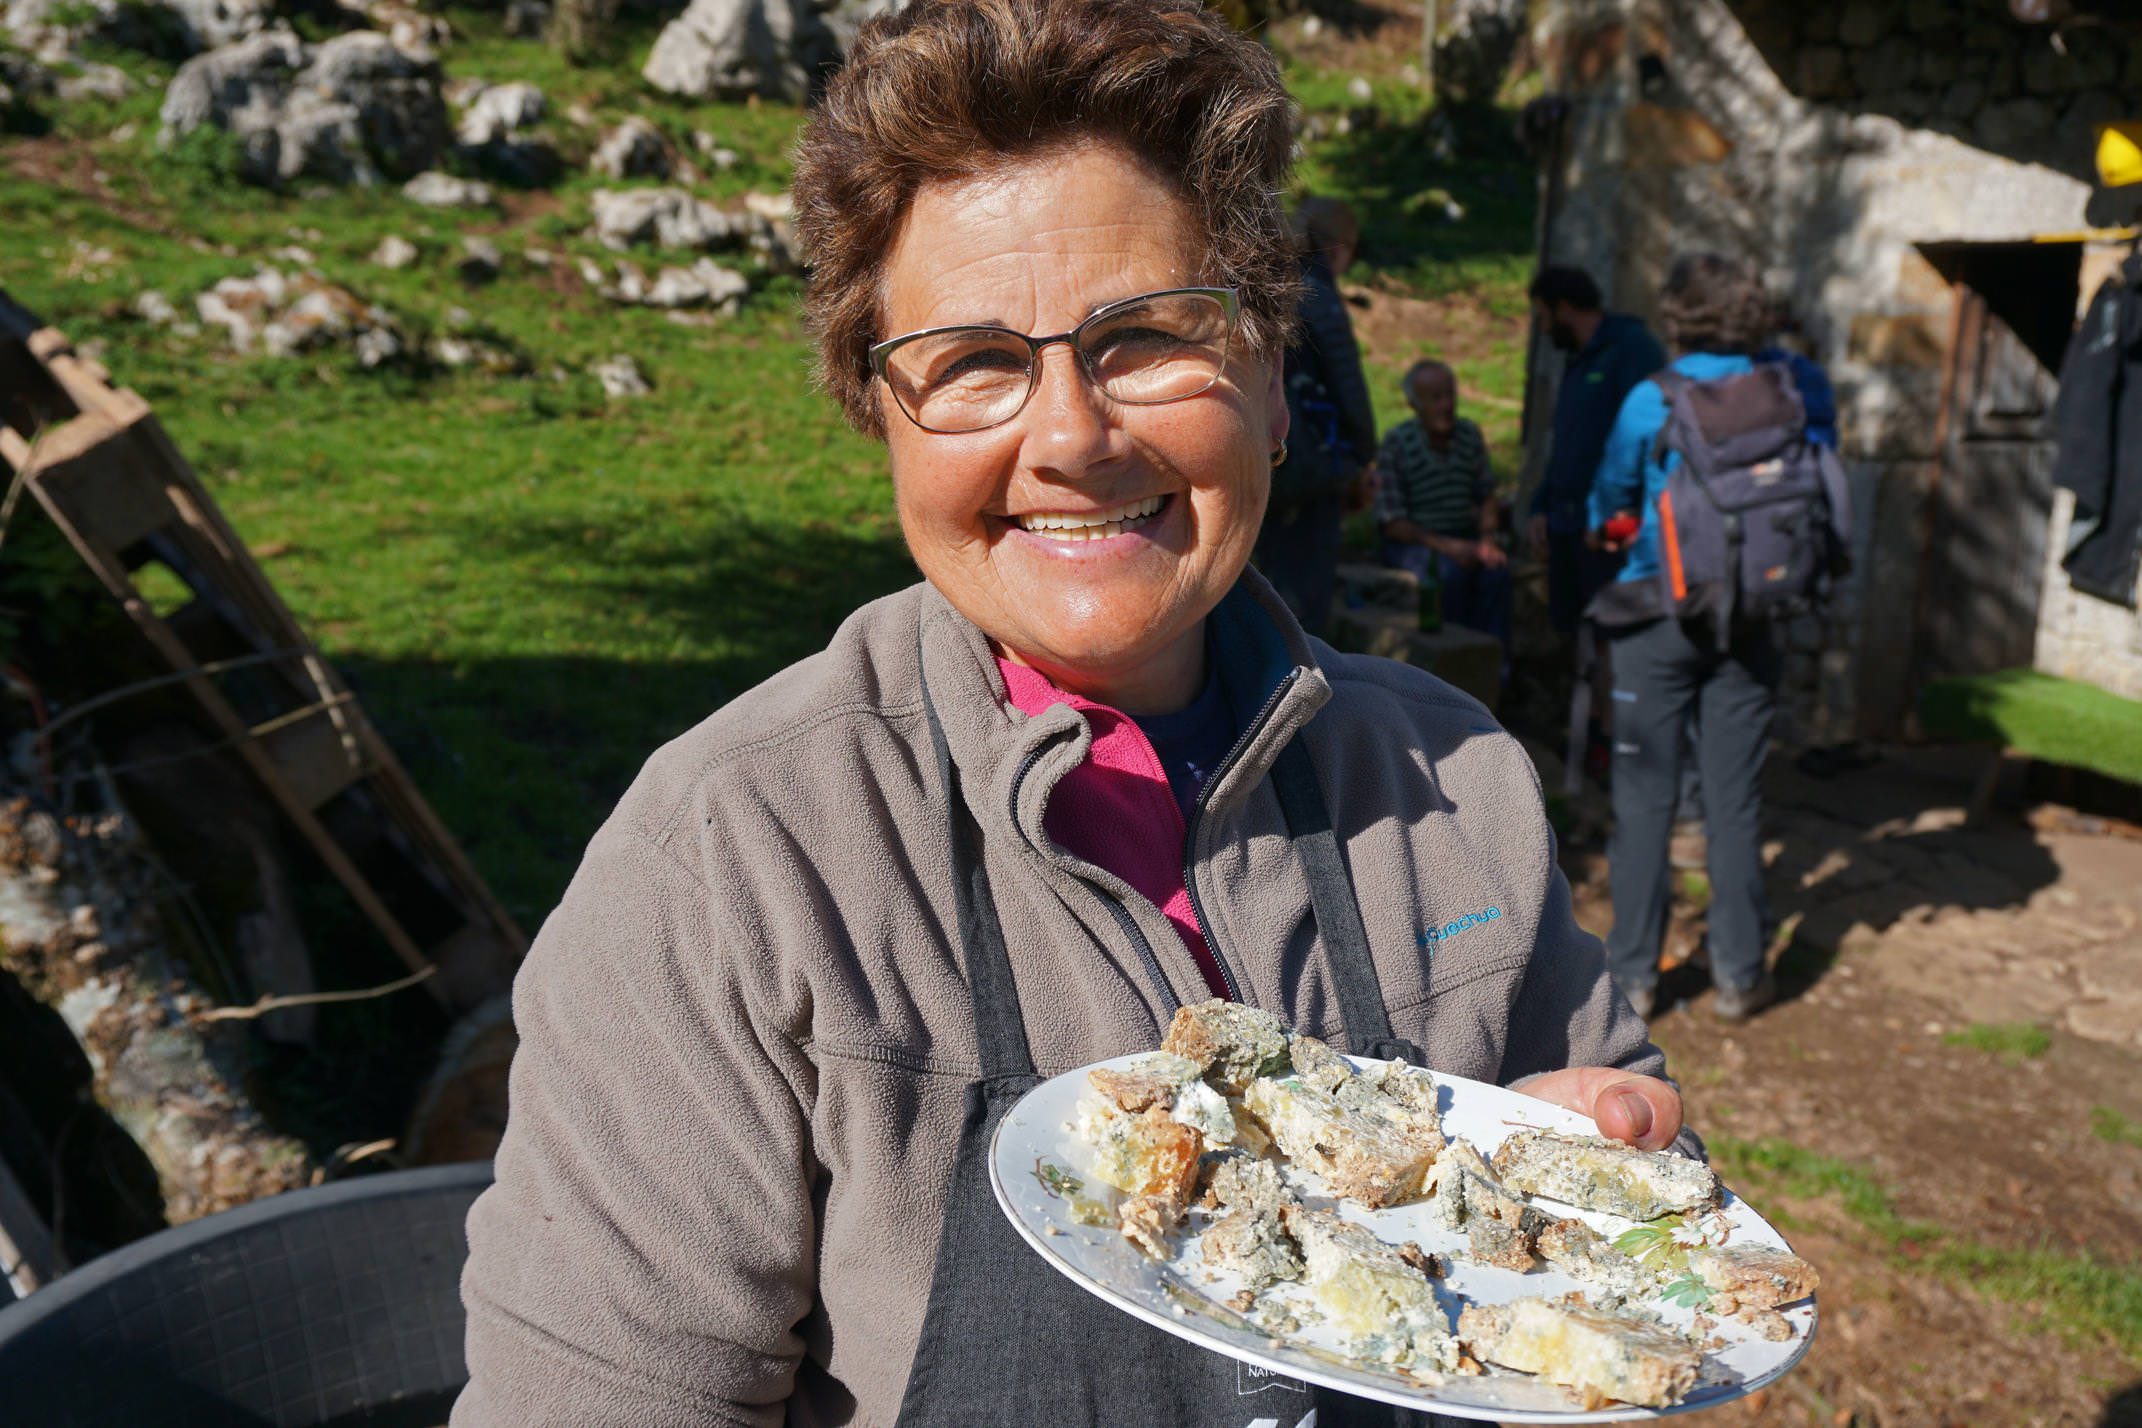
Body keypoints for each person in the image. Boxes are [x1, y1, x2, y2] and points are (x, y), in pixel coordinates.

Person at [454, 4, 1694, 1424]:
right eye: (973, 362)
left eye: (1147, 337)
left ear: (1272, 389)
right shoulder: (731, 865)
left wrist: (1594, 1175)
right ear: (883, 421)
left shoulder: (1454, 780)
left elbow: (1645, 1229)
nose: (1071, 438)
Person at [1587, 253, 1785, 1025]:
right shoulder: (1784, 394)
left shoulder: (1653, 398)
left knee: (1644, 800)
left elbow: (1613, 497)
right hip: (1757, 619)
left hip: (1658, 620)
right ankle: (1741, 975)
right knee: (1735, 800)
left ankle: (1635, 978)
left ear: (1680, 316)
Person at [1253, 196, 1377, 637]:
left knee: (1266, 588)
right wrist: (1364, 456)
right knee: (1305, 601)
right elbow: (1348, 384)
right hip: (1315, 468)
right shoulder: (1319, 297)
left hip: (1264, 455)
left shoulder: (1271, 288)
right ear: (1341, 248)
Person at [1525, 266, 1667, 637]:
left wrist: (1617, 525)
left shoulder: (1634, 351)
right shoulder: (1578, 360)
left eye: (1543, 315)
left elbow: (1645, 444)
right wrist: (1541, 507)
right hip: (1567, 530)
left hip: (1611, 533)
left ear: (1564, 308)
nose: (1542, 328)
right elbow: (1567, 446)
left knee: (1611, 639)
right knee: (1570, 636)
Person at [1375, 358, 1511, 649]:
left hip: (1464, 537)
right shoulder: (1398, 443)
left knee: (1496, 574)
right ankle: (1452, 660)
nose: (1446, 405)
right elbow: (1393, 524)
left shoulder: (1468, 435)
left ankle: (1495, 661)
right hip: (1418, 543)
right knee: (1448, 577)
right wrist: (1447, 546)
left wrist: (1487, 540)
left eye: (1450, 395)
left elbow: (1486, 495)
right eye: (1435, 398)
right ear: (1414, 404)